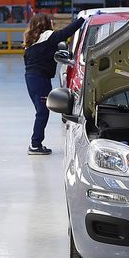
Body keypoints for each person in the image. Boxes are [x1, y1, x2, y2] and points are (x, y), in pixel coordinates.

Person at [23, 12, 85, 155]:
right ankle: (35, 145)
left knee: (42, 111)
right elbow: (66, 32)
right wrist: (82, 19)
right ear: (46, 23)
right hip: (39, 79)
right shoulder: (48, 36)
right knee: (42, 112)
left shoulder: (32, 41)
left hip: (34, 78)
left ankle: (36, 144)